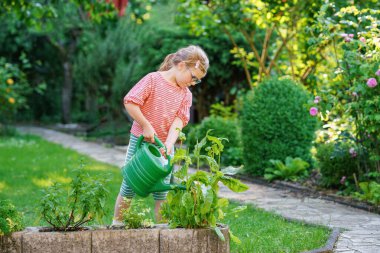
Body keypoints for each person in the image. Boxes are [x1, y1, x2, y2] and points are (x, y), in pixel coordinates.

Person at [112, 45, 209, 226]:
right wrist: (146, 125)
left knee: (162, 192)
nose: (193, 82)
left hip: (164, 146)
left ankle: (161, 231)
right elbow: (131, 102)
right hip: (141, 142)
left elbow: (179, 121)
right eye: (193, 77)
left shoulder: (185, 94)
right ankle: (117, 225)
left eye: (198, 81)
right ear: (181, 65)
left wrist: (169, 144)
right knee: (129, 185)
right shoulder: (153, 80)